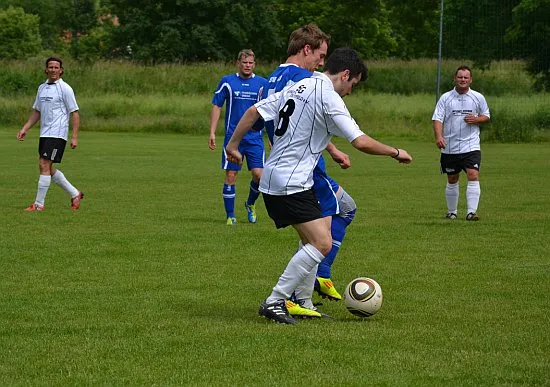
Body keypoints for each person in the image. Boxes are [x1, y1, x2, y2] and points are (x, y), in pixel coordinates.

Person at [226, 48, 413, 324]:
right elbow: (360, 141)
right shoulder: (328, 95)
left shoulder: (301, 84)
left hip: (279, 176)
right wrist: (395, 152)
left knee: (316, 234)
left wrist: (232, 144)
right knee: (322, 242)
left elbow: (255, 110)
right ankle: (275, 300)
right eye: (353, 85)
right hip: (291, 182)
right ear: (345, 75)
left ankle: (302, 301)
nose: (350, 92)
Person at [263, 23, 356, 319]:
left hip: (285, 160)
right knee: (333, 223)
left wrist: (332, 149)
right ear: (306, 49)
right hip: (304, 167)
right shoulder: (307, 79)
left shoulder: (270, 79)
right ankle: (298, 291)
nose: (322, 62)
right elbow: (312, 115)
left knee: (314, 234)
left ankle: (302, 299)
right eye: (321, 54)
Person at [17, 57, 83, 212]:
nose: (53, 70)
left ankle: (39, 205)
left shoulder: (65, 88)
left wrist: (74, 136)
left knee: (44, 164)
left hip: (58, 133)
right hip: (45, 133)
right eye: (50, 67)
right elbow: (37, 111)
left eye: (56, 67)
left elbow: (75, 113)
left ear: (61, 70)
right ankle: (75, 193)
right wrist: (25, 128)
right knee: (47, 167)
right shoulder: (42, 88)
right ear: (46, 69)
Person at [209, 49, 268, 225]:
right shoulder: (227, 82)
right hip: (233, 139)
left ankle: (250, 204)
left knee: (259, 176)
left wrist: (272, 137)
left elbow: (269, 111)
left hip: (255, 139)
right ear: (238, 63)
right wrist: (212, 131)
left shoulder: (262, 84)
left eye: (250, 62)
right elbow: (216, 105)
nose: (247, 66)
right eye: (244, 62)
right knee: (231, 175)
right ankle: (230, 216)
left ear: (254, 64)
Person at [432, 65, 490, 221]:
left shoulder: (478, 97)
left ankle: (471, 212)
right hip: (450, 146)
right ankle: (452, 212)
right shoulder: (446, 98)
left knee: (473, 174)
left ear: (470, 80)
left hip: (471, 145)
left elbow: (486, 116)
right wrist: (439, 137)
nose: (463, 80)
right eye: (460, 77)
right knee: (452, 178)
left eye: (466, 77)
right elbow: (437, 119)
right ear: (455, 79)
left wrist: (477, 119)